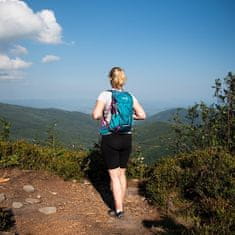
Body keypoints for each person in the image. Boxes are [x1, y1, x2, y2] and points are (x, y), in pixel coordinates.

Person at [92, 67, 146, 218]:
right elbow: (142, 115)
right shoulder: (130, 96)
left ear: (110, 78)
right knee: (122, 174)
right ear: (123, 79)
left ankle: (119, 210)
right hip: (126, 138)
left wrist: (104, 115)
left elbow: (96, 114)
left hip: (110, 137)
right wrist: (129, 116)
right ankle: (121, 205)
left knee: (114, 176)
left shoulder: (105, 94)